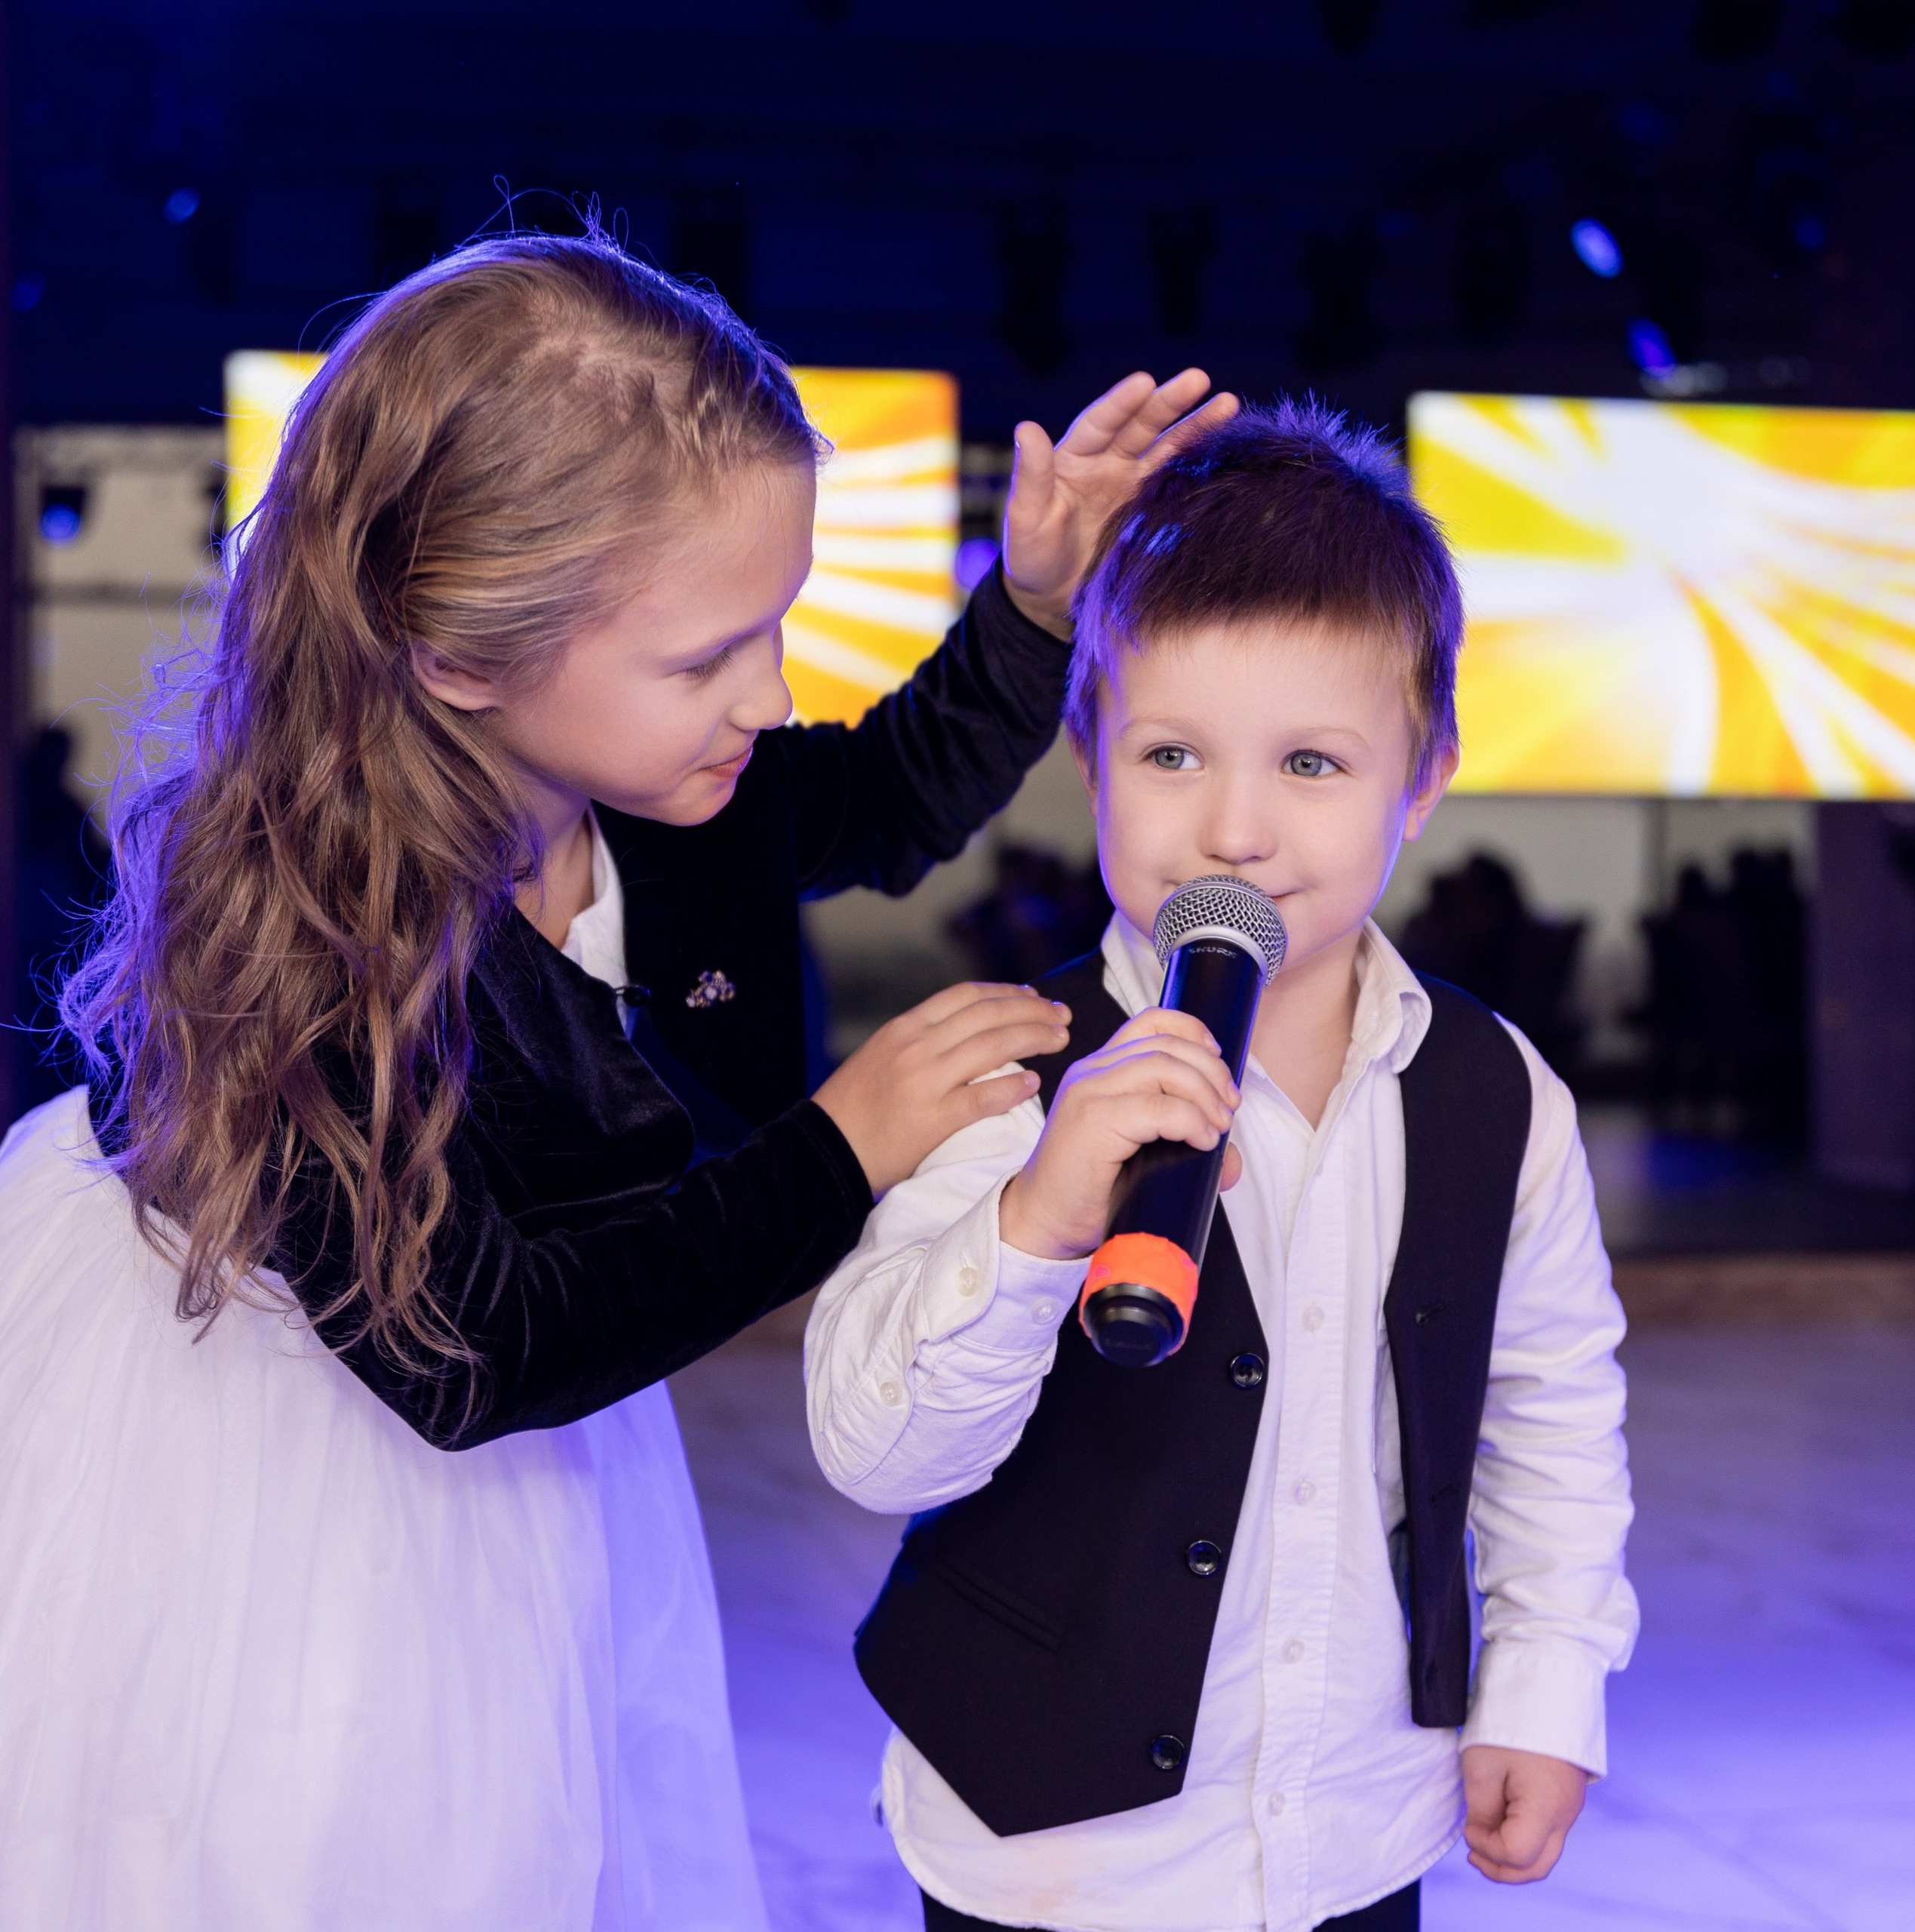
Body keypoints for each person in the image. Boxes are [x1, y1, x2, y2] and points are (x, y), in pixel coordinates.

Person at [0, 228, 1235, 1930]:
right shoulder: (285, 944)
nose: (770, 692)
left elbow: (888, 789)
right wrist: (837, 1149)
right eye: (703, 655)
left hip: (544, 1375)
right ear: (459, 653)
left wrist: (1029, 610)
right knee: (310, 1832)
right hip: (292, 1444)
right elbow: (475, 1354)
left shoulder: (668, 790)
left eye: (776, 627)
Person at [805, 401, 1640, 1932]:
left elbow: (1546, 1397)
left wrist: (1544, 1676)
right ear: (1087, 747)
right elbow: (876, 1450)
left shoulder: (1491, 1089)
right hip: (1048, 1849)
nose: (1235, 826)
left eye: (1311, 761)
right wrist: (1042, 1208)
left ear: (1424, 771)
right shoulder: (1003, 1059)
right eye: (1171, 751)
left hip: (1349, 1820)